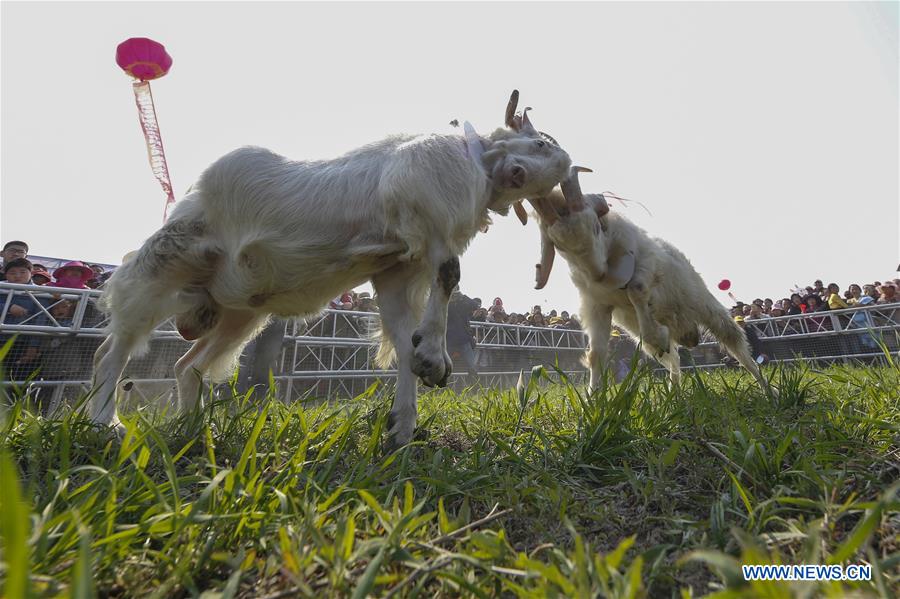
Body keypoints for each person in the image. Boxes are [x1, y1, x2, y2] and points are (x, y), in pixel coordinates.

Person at [1, 258, 47, 383]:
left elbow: (40, 320)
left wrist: (33, 346)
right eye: (12, 272)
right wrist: (8, 307)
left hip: (22, 342)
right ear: (5, 274)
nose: (17, 276)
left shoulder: (41, 292)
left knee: (14, 379)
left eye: (22, 272)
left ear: (31, 273)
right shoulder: (1, 287)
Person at [445, 290, 479, 386]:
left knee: (472, 367)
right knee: (445, 366)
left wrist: (463, 296)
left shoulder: (463, 304)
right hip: (449, 341)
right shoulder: (446, 304)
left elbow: (475, 305)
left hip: (464, 340)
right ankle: (443, 388)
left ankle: (474, 387)